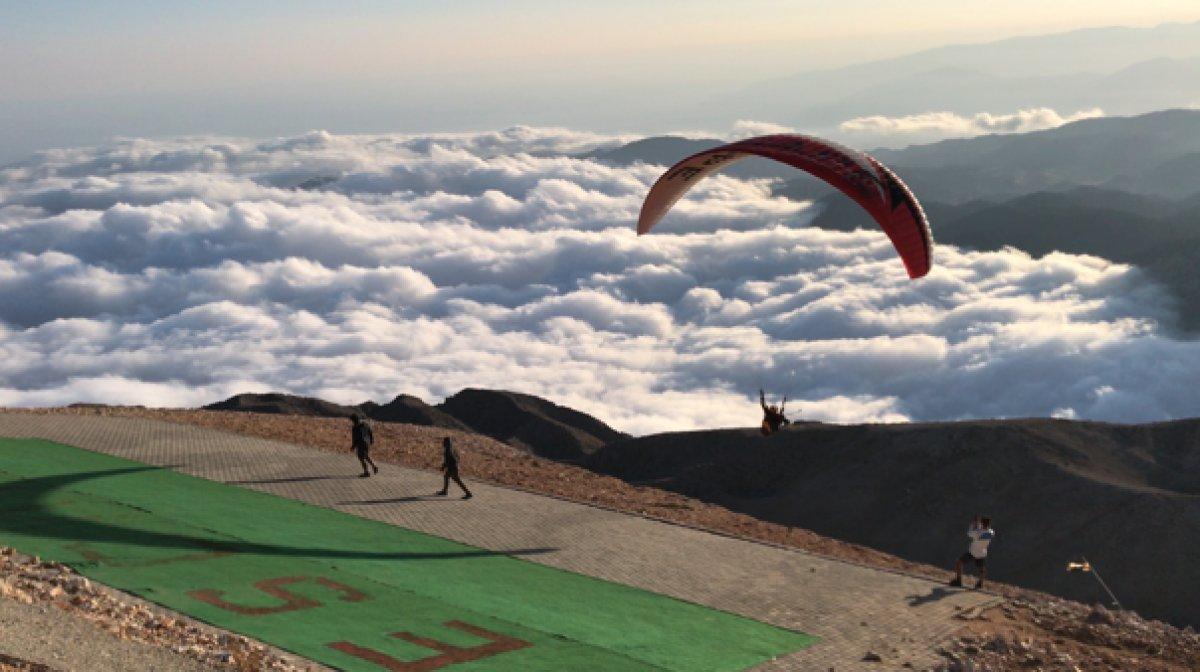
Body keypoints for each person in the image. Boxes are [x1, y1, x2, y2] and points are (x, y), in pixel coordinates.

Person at [950, 515, 994, 589]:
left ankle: (958, 580)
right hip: (982, 553)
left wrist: (974, 524)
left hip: (973, 552)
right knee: (982, 569)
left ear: (982, 524)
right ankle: (980, 583)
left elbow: (969, 533)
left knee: (959, 562)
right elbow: (983, 530)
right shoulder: (991, 532)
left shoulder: (977, 533)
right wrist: (978, 524)